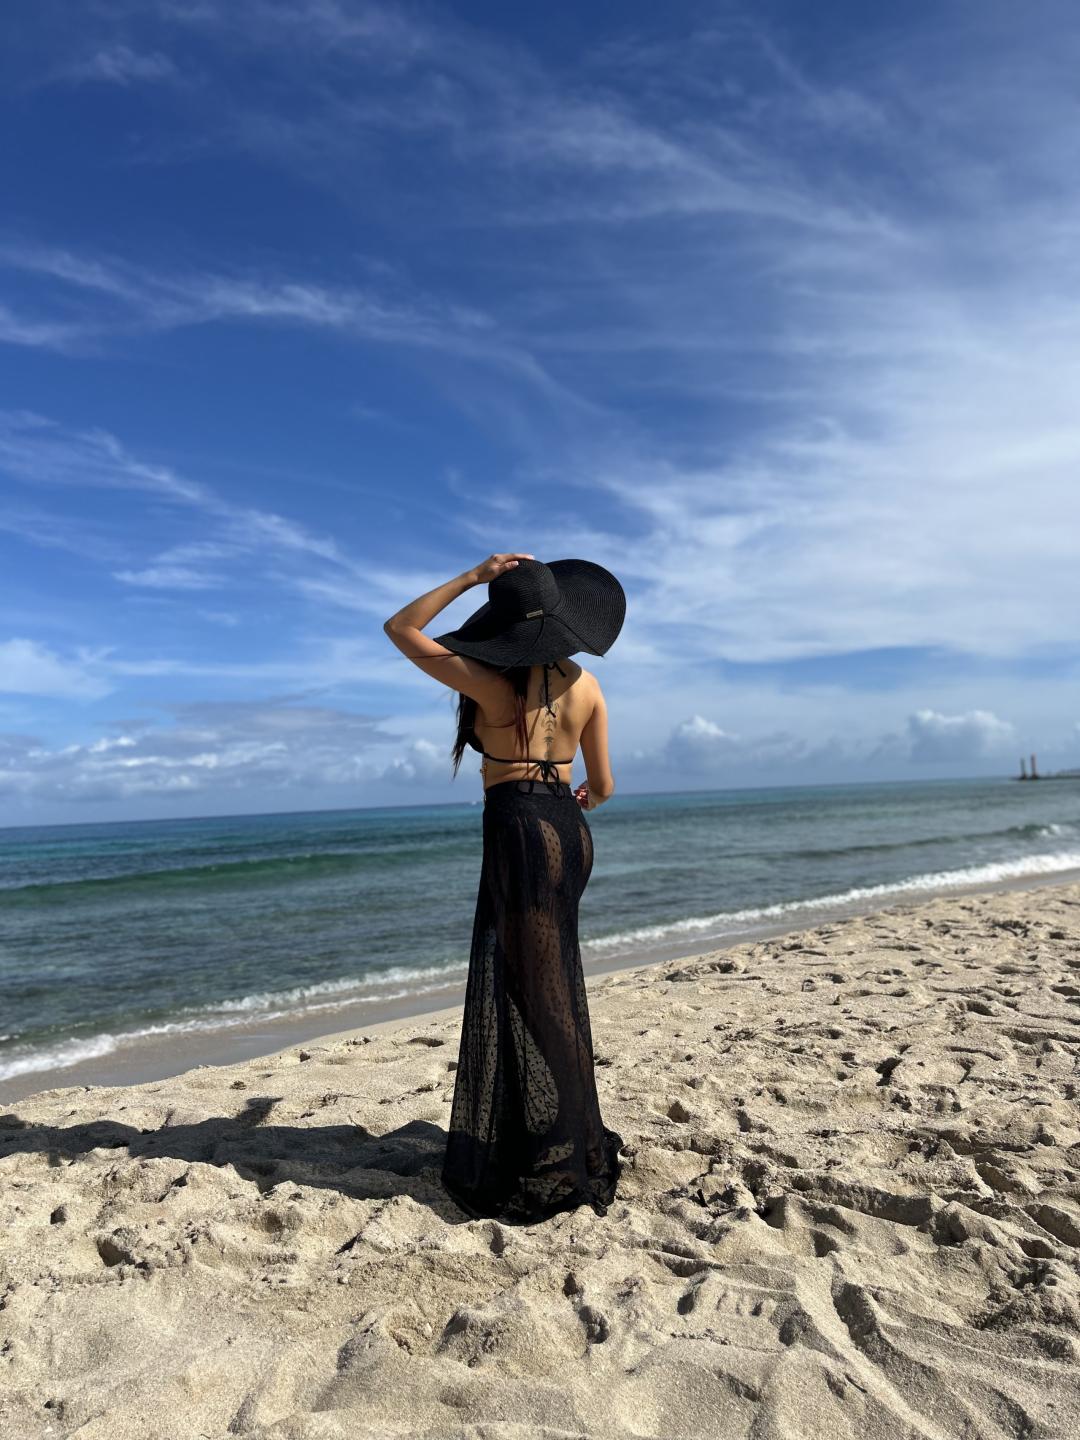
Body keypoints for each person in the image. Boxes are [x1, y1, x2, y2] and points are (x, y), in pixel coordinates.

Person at [383, 553, 627, 1223]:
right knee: (552, 980)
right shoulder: (588, 686)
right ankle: (573, 1131)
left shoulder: (489, 685)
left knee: (538, 993)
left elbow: (400, 628)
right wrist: (578, 794)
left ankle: (570, 1146)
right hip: (569, 833)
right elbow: (605, 787)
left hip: (520, 831)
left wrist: (471, 578)